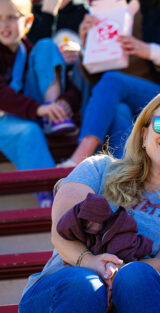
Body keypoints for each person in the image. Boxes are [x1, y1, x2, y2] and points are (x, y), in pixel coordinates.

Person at [19, 85, 160, 313]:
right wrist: (94, 265)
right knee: (84, 283)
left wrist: (114, 275)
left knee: (137, 274)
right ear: (145, 134)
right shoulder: (98, 169)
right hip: (59, 291)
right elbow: (61, 235)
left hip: (131, 296)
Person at [59, 0, 160, 166]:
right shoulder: (111, 5)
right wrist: (88, 43)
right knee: (118, 109)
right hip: (117, 98)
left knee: (112, 80)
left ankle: (81, 156)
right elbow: (96, 78)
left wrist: (150, 51)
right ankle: (120, 176)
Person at [0, 0, 80, 206]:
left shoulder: (30, 51)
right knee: (28, 132)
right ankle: (49, 193)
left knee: (46, 45)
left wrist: (63, 103)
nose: (4, 25)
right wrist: (38, 109)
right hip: (6, 120)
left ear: (27, 21)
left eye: (11, 17)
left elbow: (72, 88)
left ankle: (53, 118)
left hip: (37, 111)